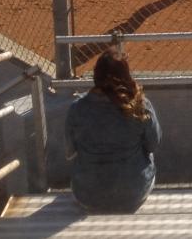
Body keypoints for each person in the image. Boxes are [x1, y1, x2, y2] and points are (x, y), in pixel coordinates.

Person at [65, 50, 161, 214]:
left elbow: (69, 152)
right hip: (131, 196)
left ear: (96, 75)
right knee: (148, 153)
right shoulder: (141, 106)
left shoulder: (77, 108)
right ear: (126, 75)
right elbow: (153, 144)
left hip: (88, 196)